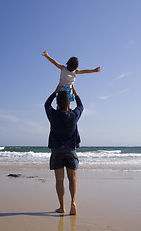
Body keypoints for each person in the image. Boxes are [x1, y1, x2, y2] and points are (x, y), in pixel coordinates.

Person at [44, 84, 83, 215]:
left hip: (57, 151)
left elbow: (46, 104)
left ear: (58, 104)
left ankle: (62, 207)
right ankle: (73, 202)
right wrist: (75, 92)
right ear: (68, 104)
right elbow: (81, 106)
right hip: (71, 151)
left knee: (59, 180)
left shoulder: (53, 115)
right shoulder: (73, 116)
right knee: (72, 179)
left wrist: (55, 91)